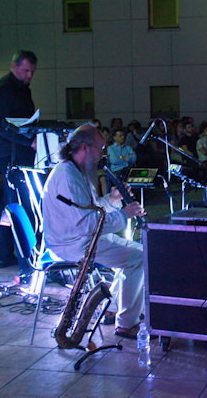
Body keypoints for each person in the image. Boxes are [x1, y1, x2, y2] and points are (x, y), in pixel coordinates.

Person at [42, 124, 145, 339]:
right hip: (72, 244)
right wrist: (124, 214)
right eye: (100, 148)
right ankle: (126, 323)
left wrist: (113, 200)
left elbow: (92, 209)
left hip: (81, 238)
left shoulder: (75, 171)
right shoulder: (68, 176)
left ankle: (114, 308)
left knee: (140, 251)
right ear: (84, 147)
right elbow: (88, 224)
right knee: (139, 258)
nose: (102, 154)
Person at [0, 50, 38, 271]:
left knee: (9, 204)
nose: (30, 75)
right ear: (14, 66)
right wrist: (27, 141)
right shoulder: (4, 89)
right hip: (10, 153)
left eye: (32, 71)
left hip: (18, 152)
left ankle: (3, 254)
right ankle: (23, 258)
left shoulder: (22, 90)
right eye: (26, 70)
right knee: (19, 204)